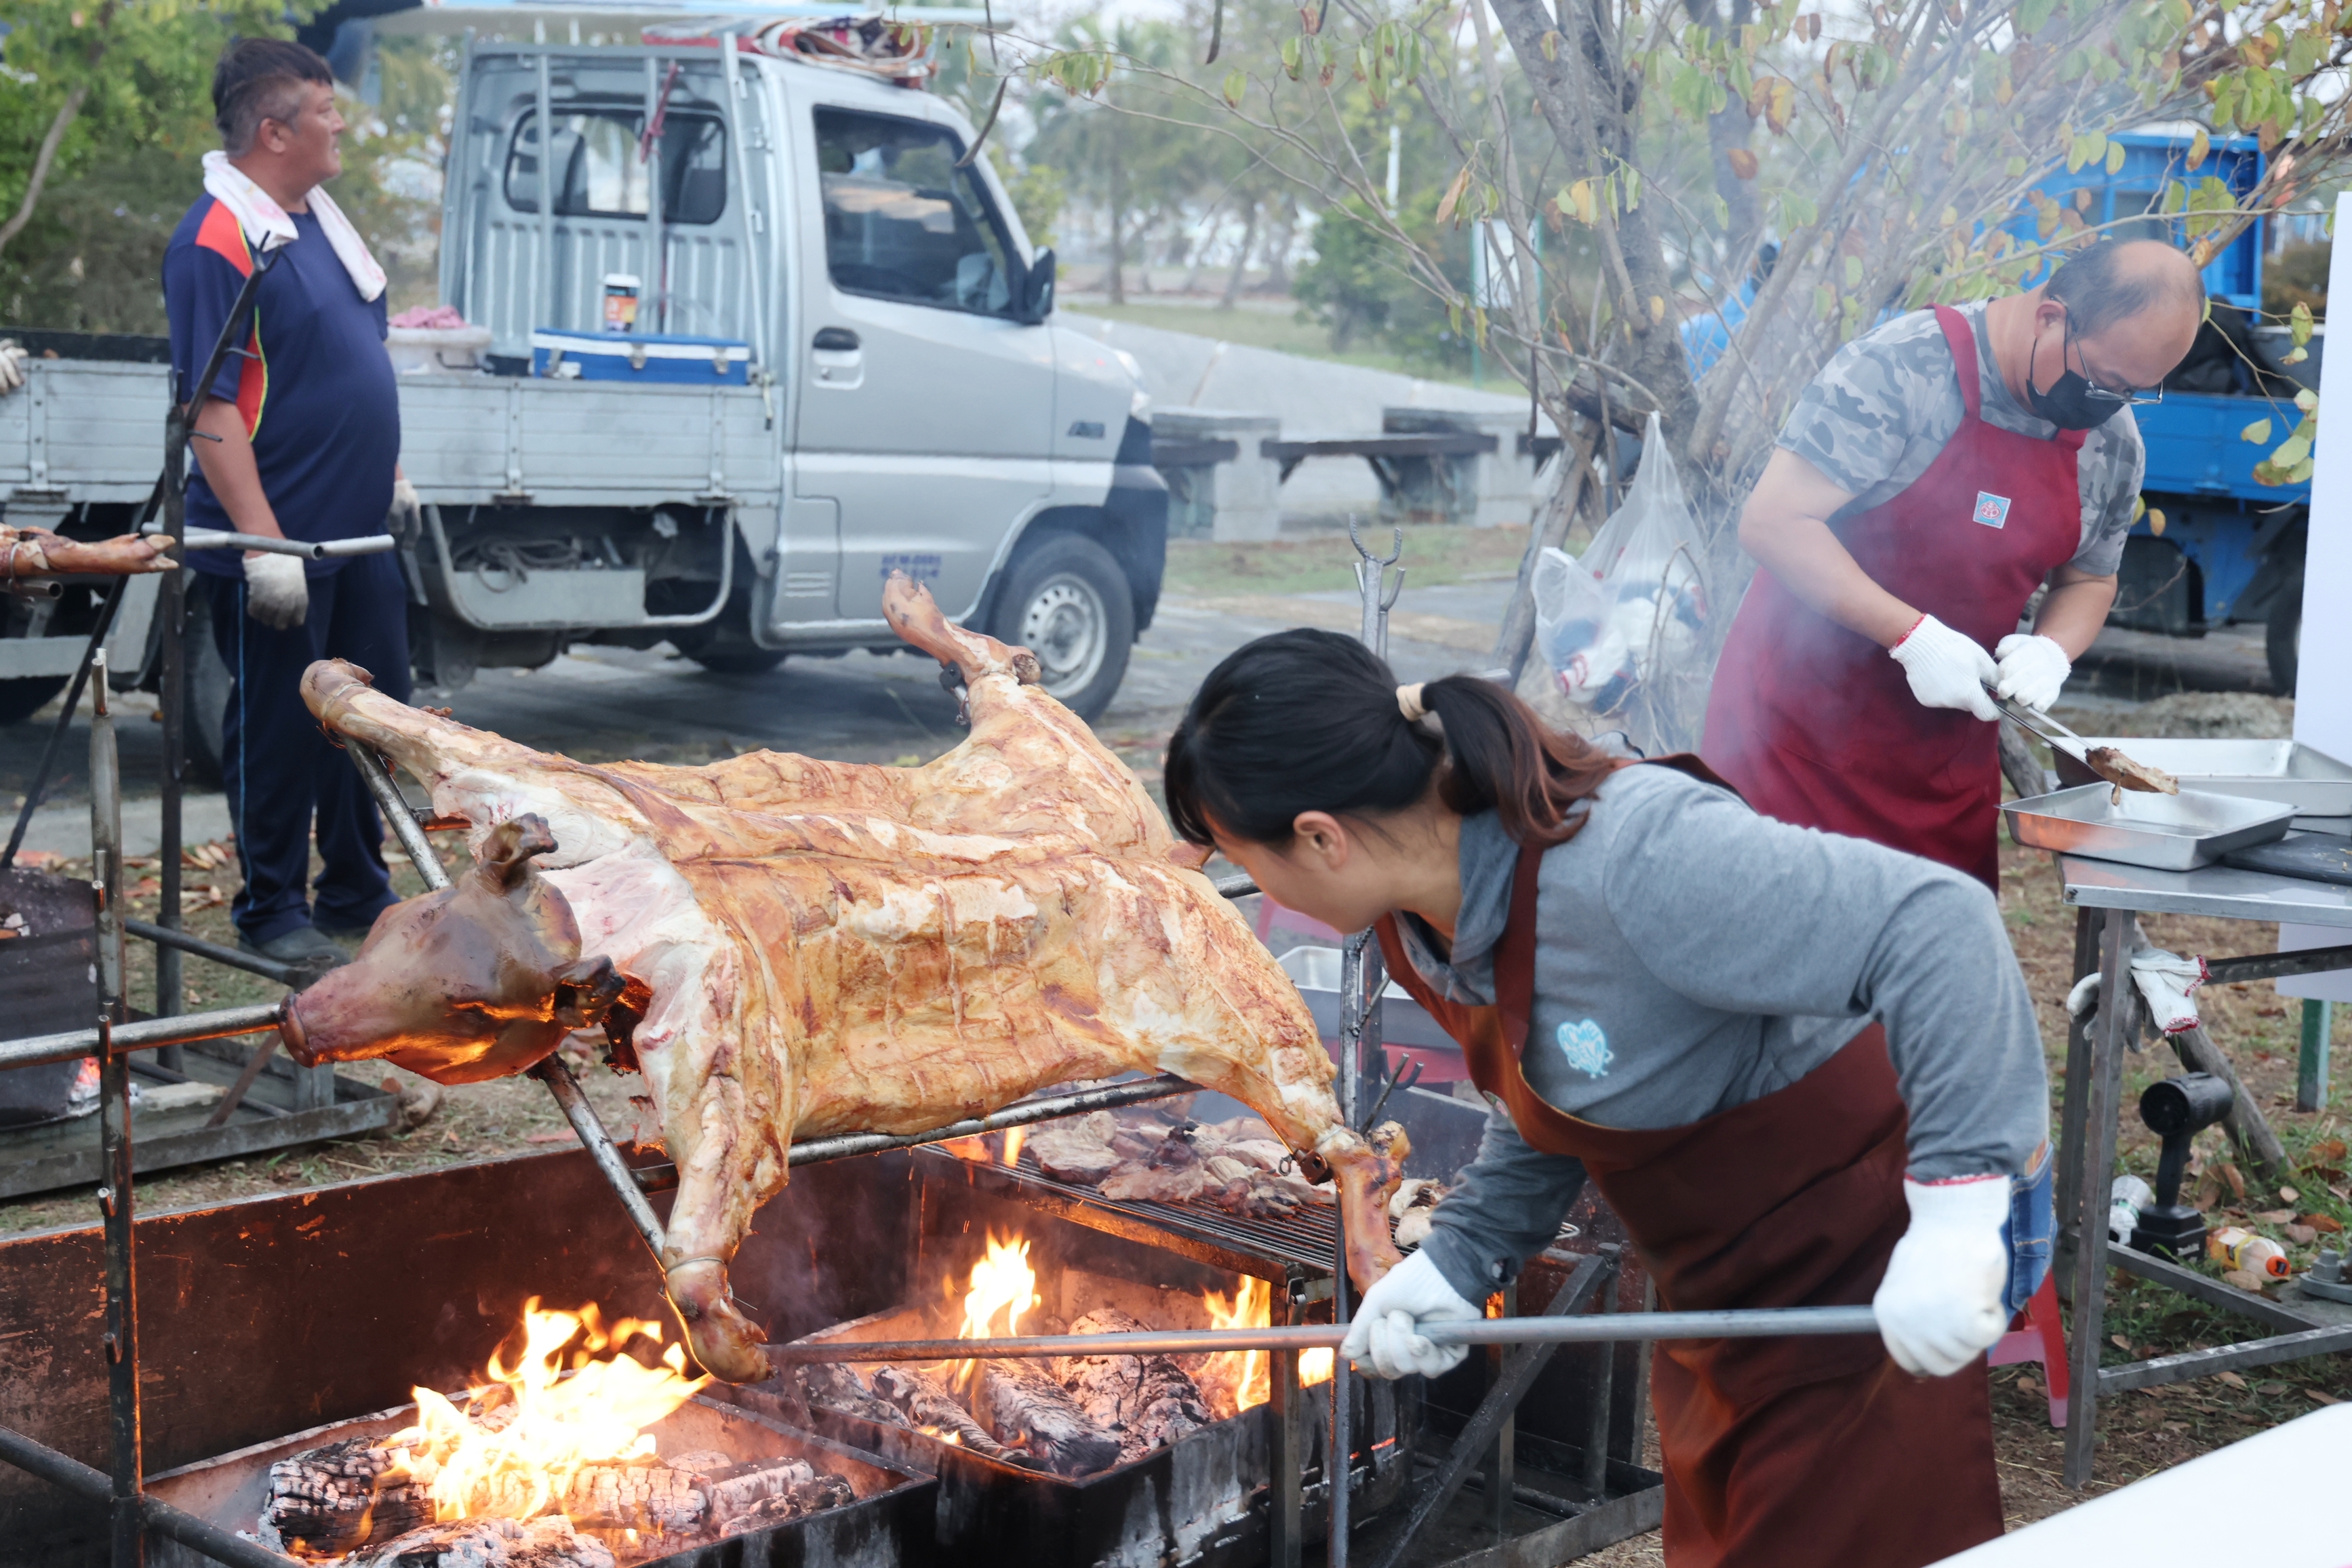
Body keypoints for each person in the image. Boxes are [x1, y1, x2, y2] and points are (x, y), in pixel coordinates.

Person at [1163, 632, 2052, 1568]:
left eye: (1237, 854)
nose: (1249, 887)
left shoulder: (1635, 854)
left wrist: (1955, 1215)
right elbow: (1556, 1082)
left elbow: (1939, 924)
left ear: (1319, 836)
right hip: (1721, 1293)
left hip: (1862, 1256)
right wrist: (1463, 1256)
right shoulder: (1417, 918)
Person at [1702, 239, 2206, 887]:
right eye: (2104, 381)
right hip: (1793, 748)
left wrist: (2052, 650)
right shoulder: (1901, 369)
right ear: (2051, 316)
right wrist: (1909, 635)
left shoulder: (2111, 444)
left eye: (2136, 392)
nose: (2110, 404)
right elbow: (1772, 520)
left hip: (1941, 775)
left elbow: (2089, 576)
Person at [164, 39, 418, 966]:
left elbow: (356, 358)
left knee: (374, 714)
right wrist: (262, 544)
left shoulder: (316, 222)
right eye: (324, 109)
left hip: (357, 537)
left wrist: (392, 474)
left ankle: (358, 886)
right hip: (281, 540)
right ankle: (272, 906)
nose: (340, 122)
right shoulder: (216, 238)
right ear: (275, 132)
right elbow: (211, 405)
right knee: (278, 726)